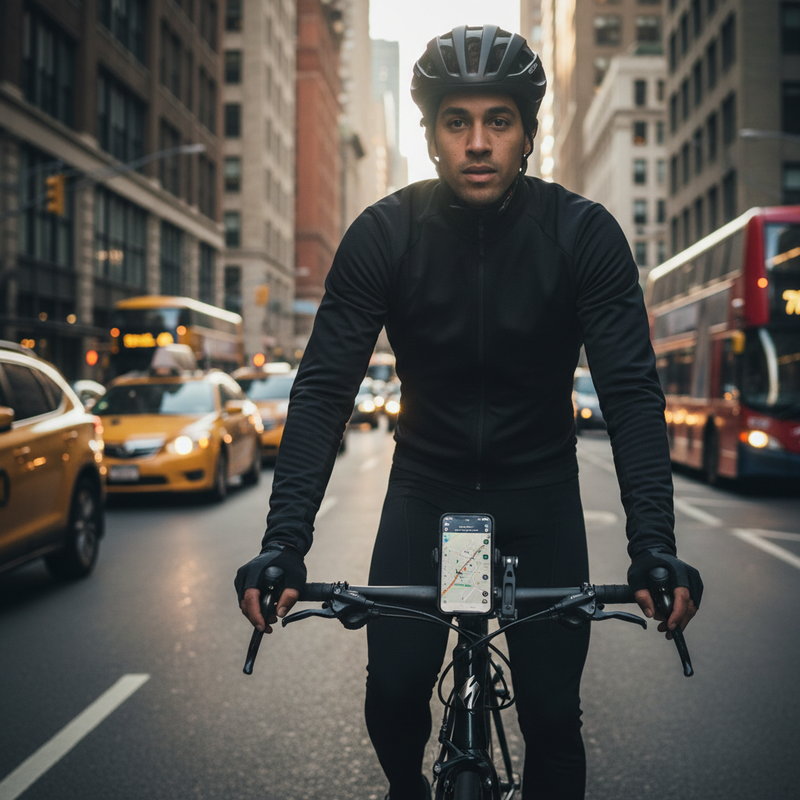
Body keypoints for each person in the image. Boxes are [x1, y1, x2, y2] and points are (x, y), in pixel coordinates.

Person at [236, 25, 703, 800]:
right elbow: (324, 387)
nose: (478, 141)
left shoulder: (583, 234)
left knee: (554, 716)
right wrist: (284, 544)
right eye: (458, 121)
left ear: (525, 134)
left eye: (499, 120)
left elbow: (629, 392)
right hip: (427, 487)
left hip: (541, 493)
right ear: (431, 136)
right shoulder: (383, 234)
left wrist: (654, 545)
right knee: (391, 693)